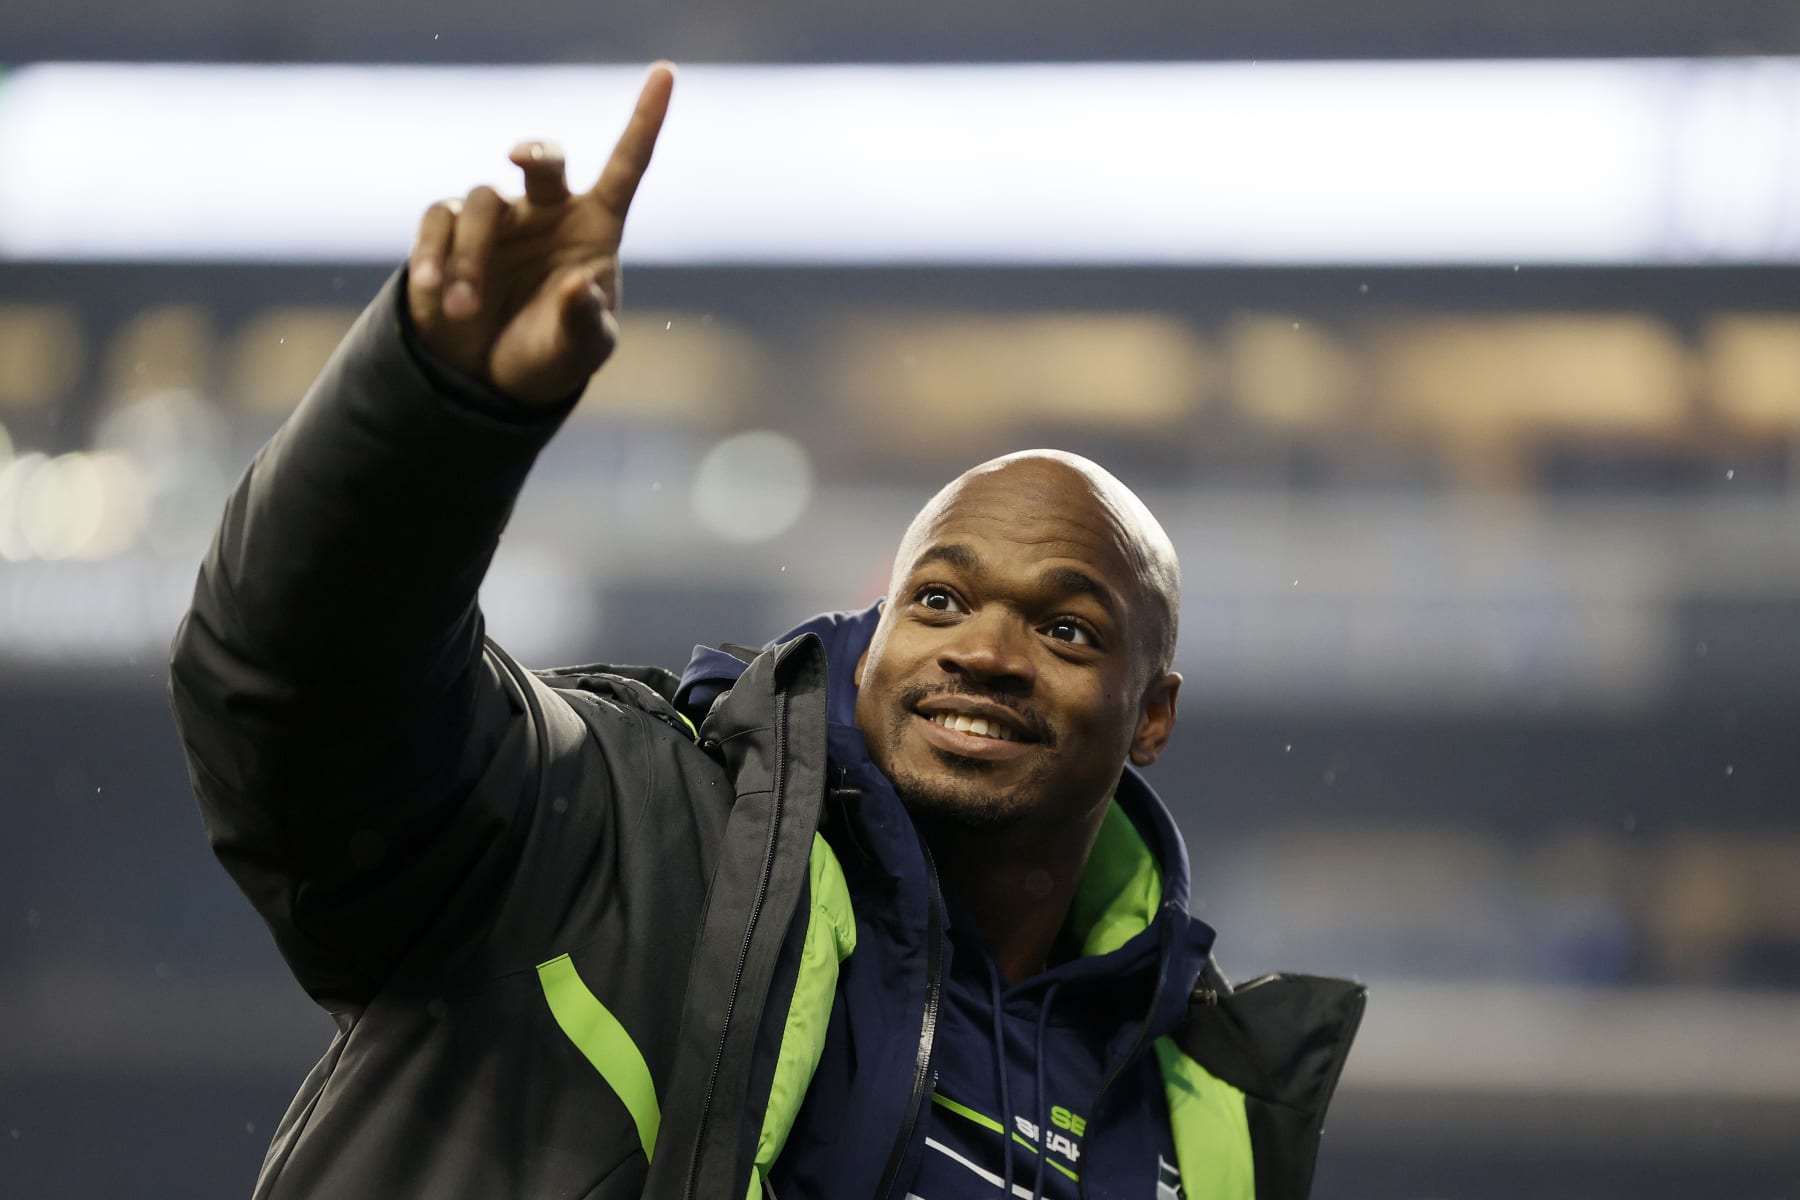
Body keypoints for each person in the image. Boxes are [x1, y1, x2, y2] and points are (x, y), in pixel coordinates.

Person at [169, 62, 1363, 1200]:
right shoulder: (617, 832)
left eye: (1064, 628)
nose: (984, 652)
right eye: (938, 601)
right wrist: (432, 413)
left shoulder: (1210, 1107)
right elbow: (301, 691)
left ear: (1152, 715)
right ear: (873, 629)